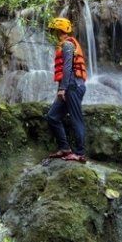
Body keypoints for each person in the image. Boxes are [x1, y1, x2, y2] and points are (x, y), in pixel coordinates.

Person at [44, 16, 87, 162]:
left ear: (59, 31)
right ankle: (65, 149)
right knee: (52, 116)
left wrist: (62, 89)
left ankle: (80, 154)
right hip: (69, 86)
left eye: (54, 31)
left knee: (76, 119)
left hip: (73, 86)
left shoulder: (68, 45)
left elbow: (67, 68)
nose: (52, 34)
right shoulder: (64, 45)